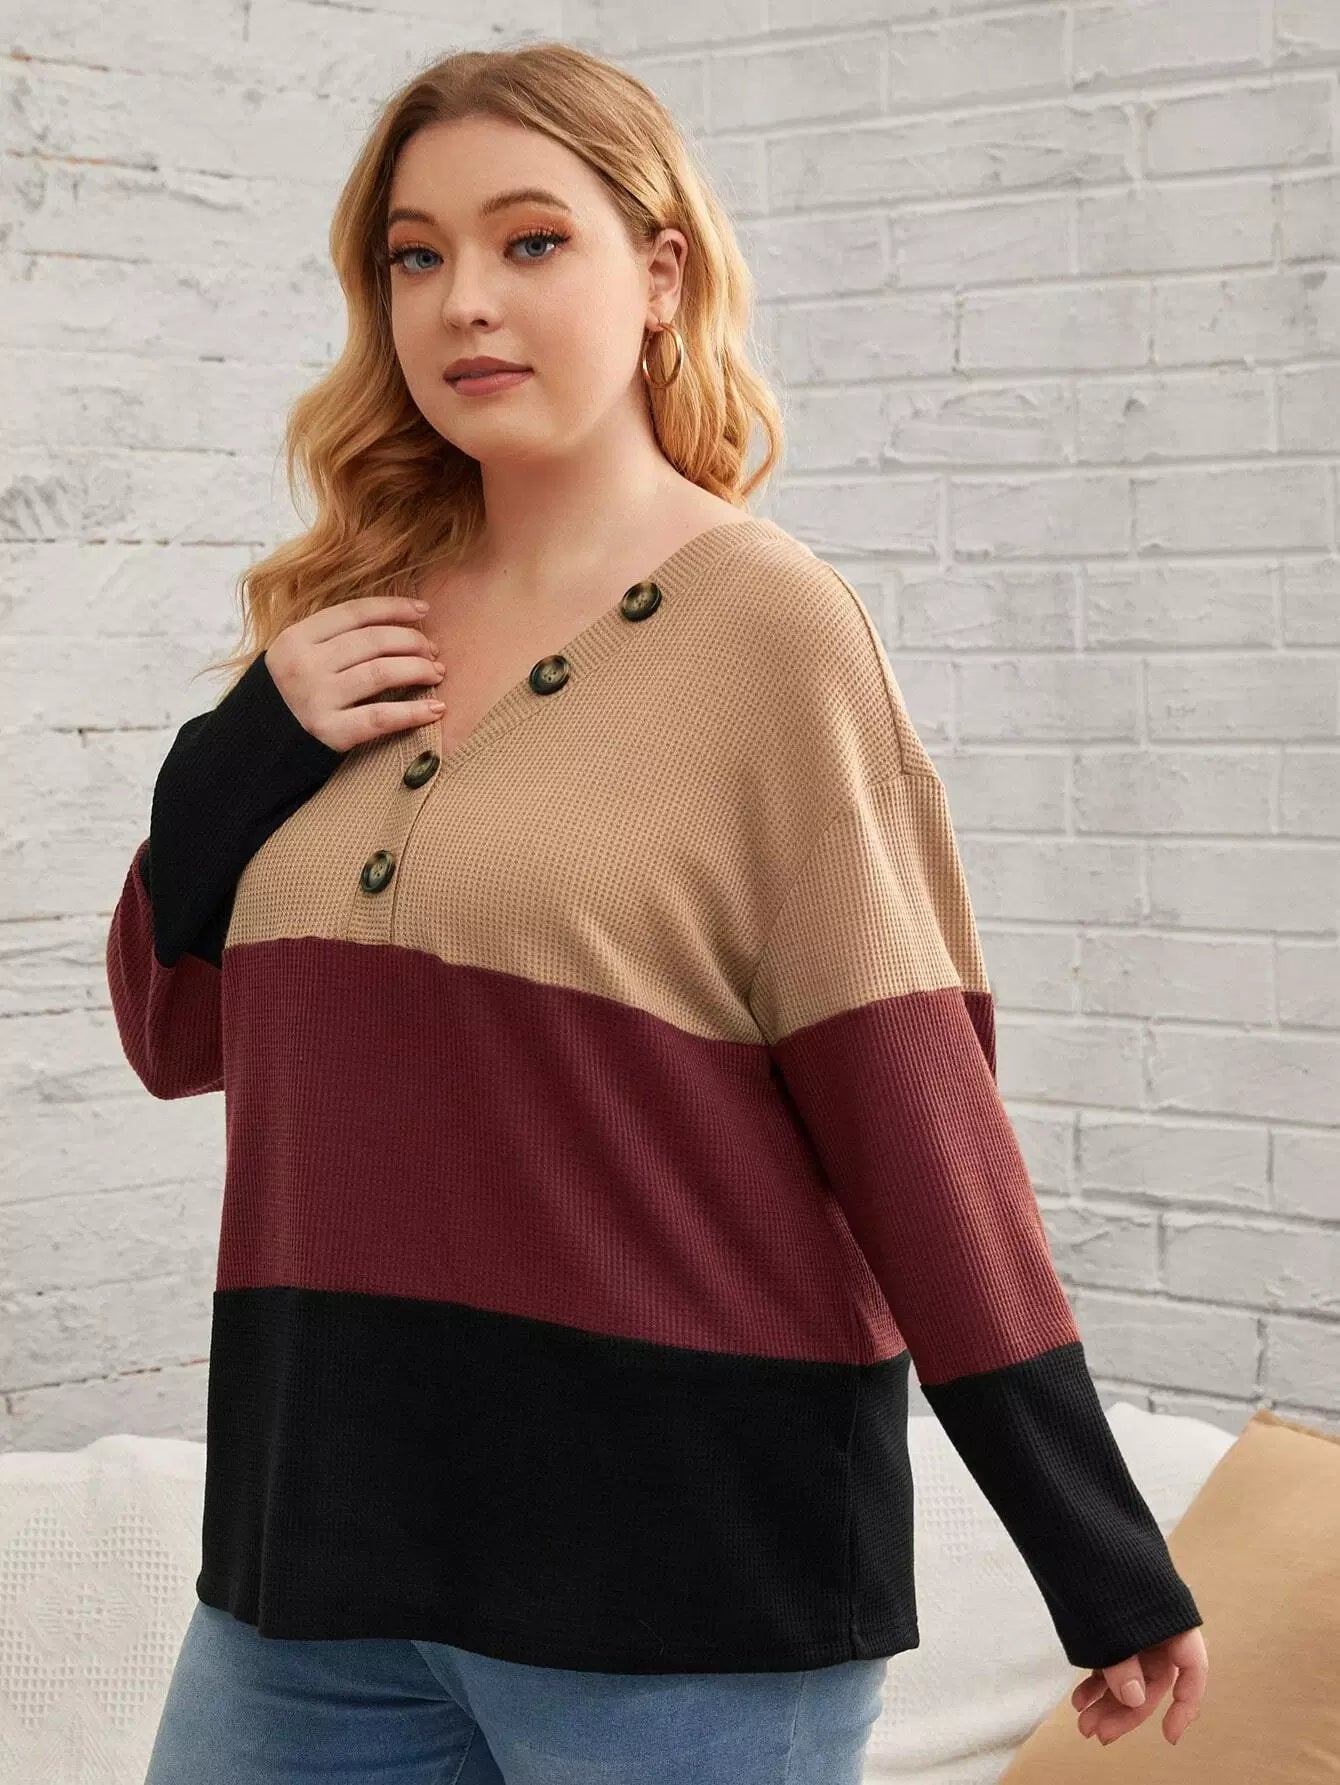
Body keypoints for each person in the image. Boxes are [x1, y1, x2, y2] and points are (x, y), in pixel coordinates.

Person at [108, 39, 1207, 1785]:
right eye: (416, 254)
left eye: (532, 240)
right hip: (313, 1564)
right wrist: (252, 738)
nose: (464, 298)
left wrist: (1095, 1545)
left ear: (662, 273)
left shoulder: (770, 630)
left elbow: (915, 1114)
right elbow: (176, 1033)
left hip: (683, 1592)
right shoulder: (349, 632)